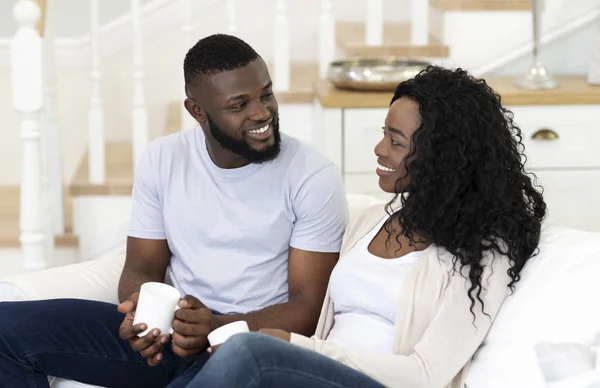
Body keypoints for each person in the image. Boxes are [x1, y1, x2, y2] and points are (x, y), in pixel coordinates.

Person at [0, 34, 348, 388]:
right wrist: (144, 315)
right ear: (197, 111)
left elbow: (309, 307)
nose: (261, 112)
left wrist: (214, 325)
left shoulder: (312, 175)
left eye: (266, 94)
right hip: (172, 334)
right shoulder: (162, 158)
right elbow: (142, 266)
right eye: (238, 105)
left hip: (242, 345)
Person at [184, 66, 548, 388]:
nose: (379, 148)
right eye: (384, 133)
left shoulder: (482, 254)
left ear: (442, 158)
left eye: (396, 141)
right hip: (307, 373)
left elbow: (427, 374)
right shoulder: (369, 220)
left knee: (250, 351)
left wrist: (295, 346)